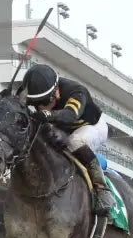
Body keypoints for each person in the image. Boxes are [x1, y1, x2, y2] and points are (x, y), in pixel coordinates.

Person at [20, 63, 114, 216]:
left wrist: (49, 115)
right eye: (37, 104)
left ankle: (102, 190)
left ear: (56, 92)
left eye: (44, 103)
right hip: (62, 129)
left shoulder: (76, 92)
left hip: (92, 126)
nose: (42, 107)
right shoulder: (36, 95)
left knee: (75, 141)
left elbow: (71, 115)